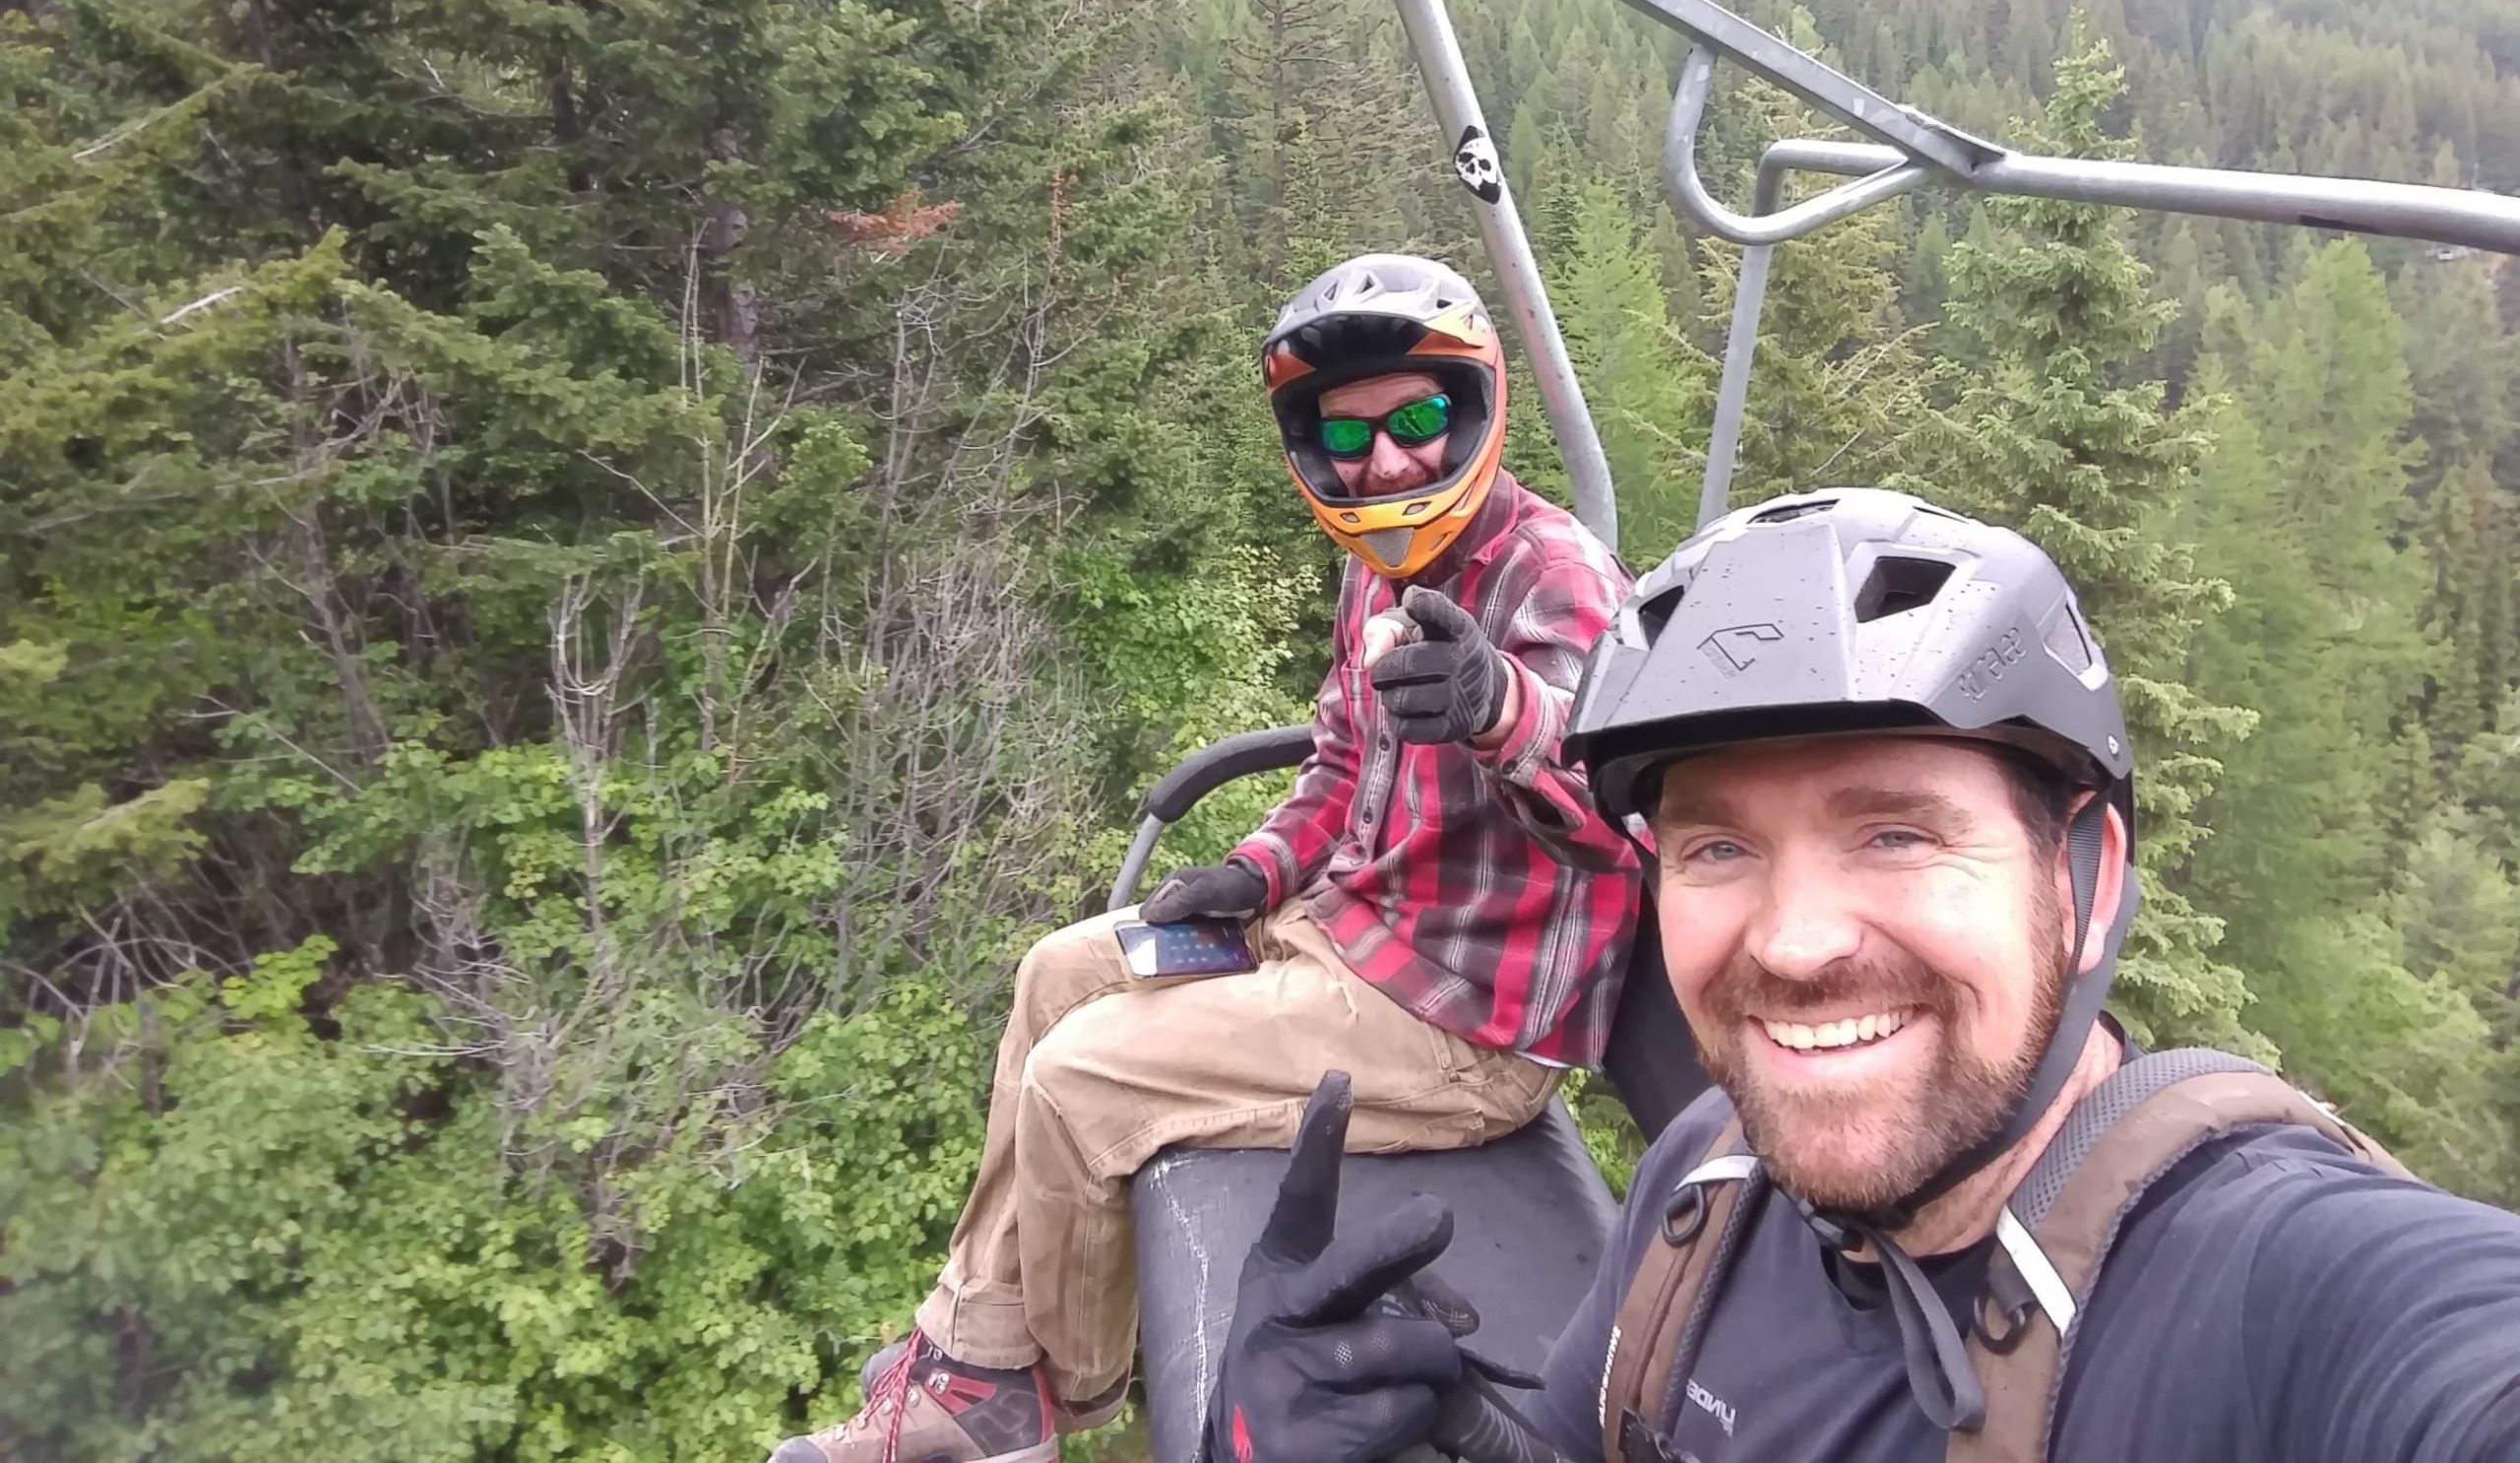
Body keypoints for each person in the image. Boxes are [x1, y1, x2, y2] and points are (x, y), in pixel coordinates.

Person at [1206, 489, 2520, 1463]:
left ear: (2087, 877)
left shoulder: (2276, 1291)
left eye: (1895, 834)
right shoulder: (1703, 1190)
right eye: (1718, 847)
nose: (1792, 943)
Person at [770, 254, 1638, 1463]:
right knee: (1056, 973)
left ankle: (1038, 1401)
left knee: (1078, 1080)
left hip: (1457, 1022)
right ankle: (975, 1348)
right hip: (1343, 931)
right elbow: (1340, 762)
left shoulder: (1554, 575)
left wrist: (1500, 710)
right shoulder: (1377, 568)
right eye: (1349, 435)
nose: (1387, 463)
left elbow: (1621, 803)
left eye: (1416, 421)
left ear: (1473, 408)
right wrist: (1257, 871)